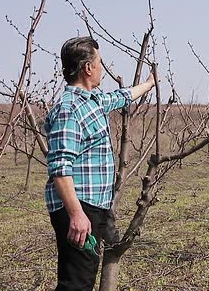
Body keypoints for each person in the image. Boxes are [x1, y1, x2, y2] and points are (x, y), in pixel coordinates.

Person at [44, 36, 156, 291]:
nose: (103, 68)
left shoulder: (92, 101)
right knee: (76, 284)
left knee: (84, 279)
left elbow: (121, 97)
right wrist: (76, 214)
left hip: (92, 206)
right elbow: (60, 168)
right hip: (79, 206)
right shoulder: (69, 108)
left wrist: (149, 85)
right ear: (88, 68)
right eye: (100, 62)